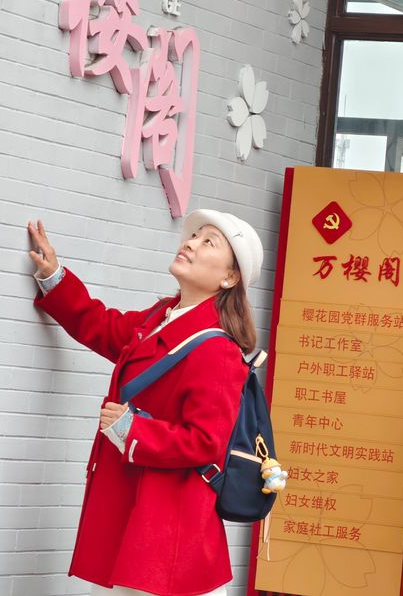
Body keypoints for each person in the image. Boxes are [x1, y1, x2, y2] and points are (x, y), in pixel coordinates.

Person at [27, 209, 264, 596]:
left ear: (230, 277)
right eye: (194, 236)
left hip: (170, 533)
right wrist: (55, 278)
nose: (190, 243)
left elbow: (206, 441)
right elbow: (103, 327)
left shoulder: (218, 348)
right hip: (141, 518)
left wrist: (131, 430)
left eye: (209, 242)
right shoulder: (163, 317)